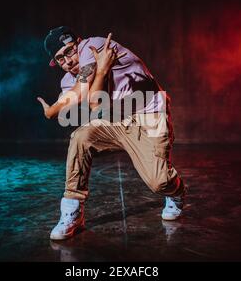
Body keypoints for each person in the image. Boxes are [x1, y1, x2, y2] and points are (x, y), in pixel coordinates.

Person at [37, 26, 186, 240]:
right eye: (60, 59)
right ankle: (72, 212)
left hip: (149, 117)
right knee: (81, 137)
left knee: (159, 182)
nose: (68, 61)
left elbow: (95, 101)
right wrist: (101, 71)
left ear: (78, 43)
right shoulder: (68, 80)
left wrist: (52, 110)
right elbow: (92, 102)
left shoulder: (94, 45)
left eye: (69, 51)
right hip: (116, 120)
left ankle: (177, 192)